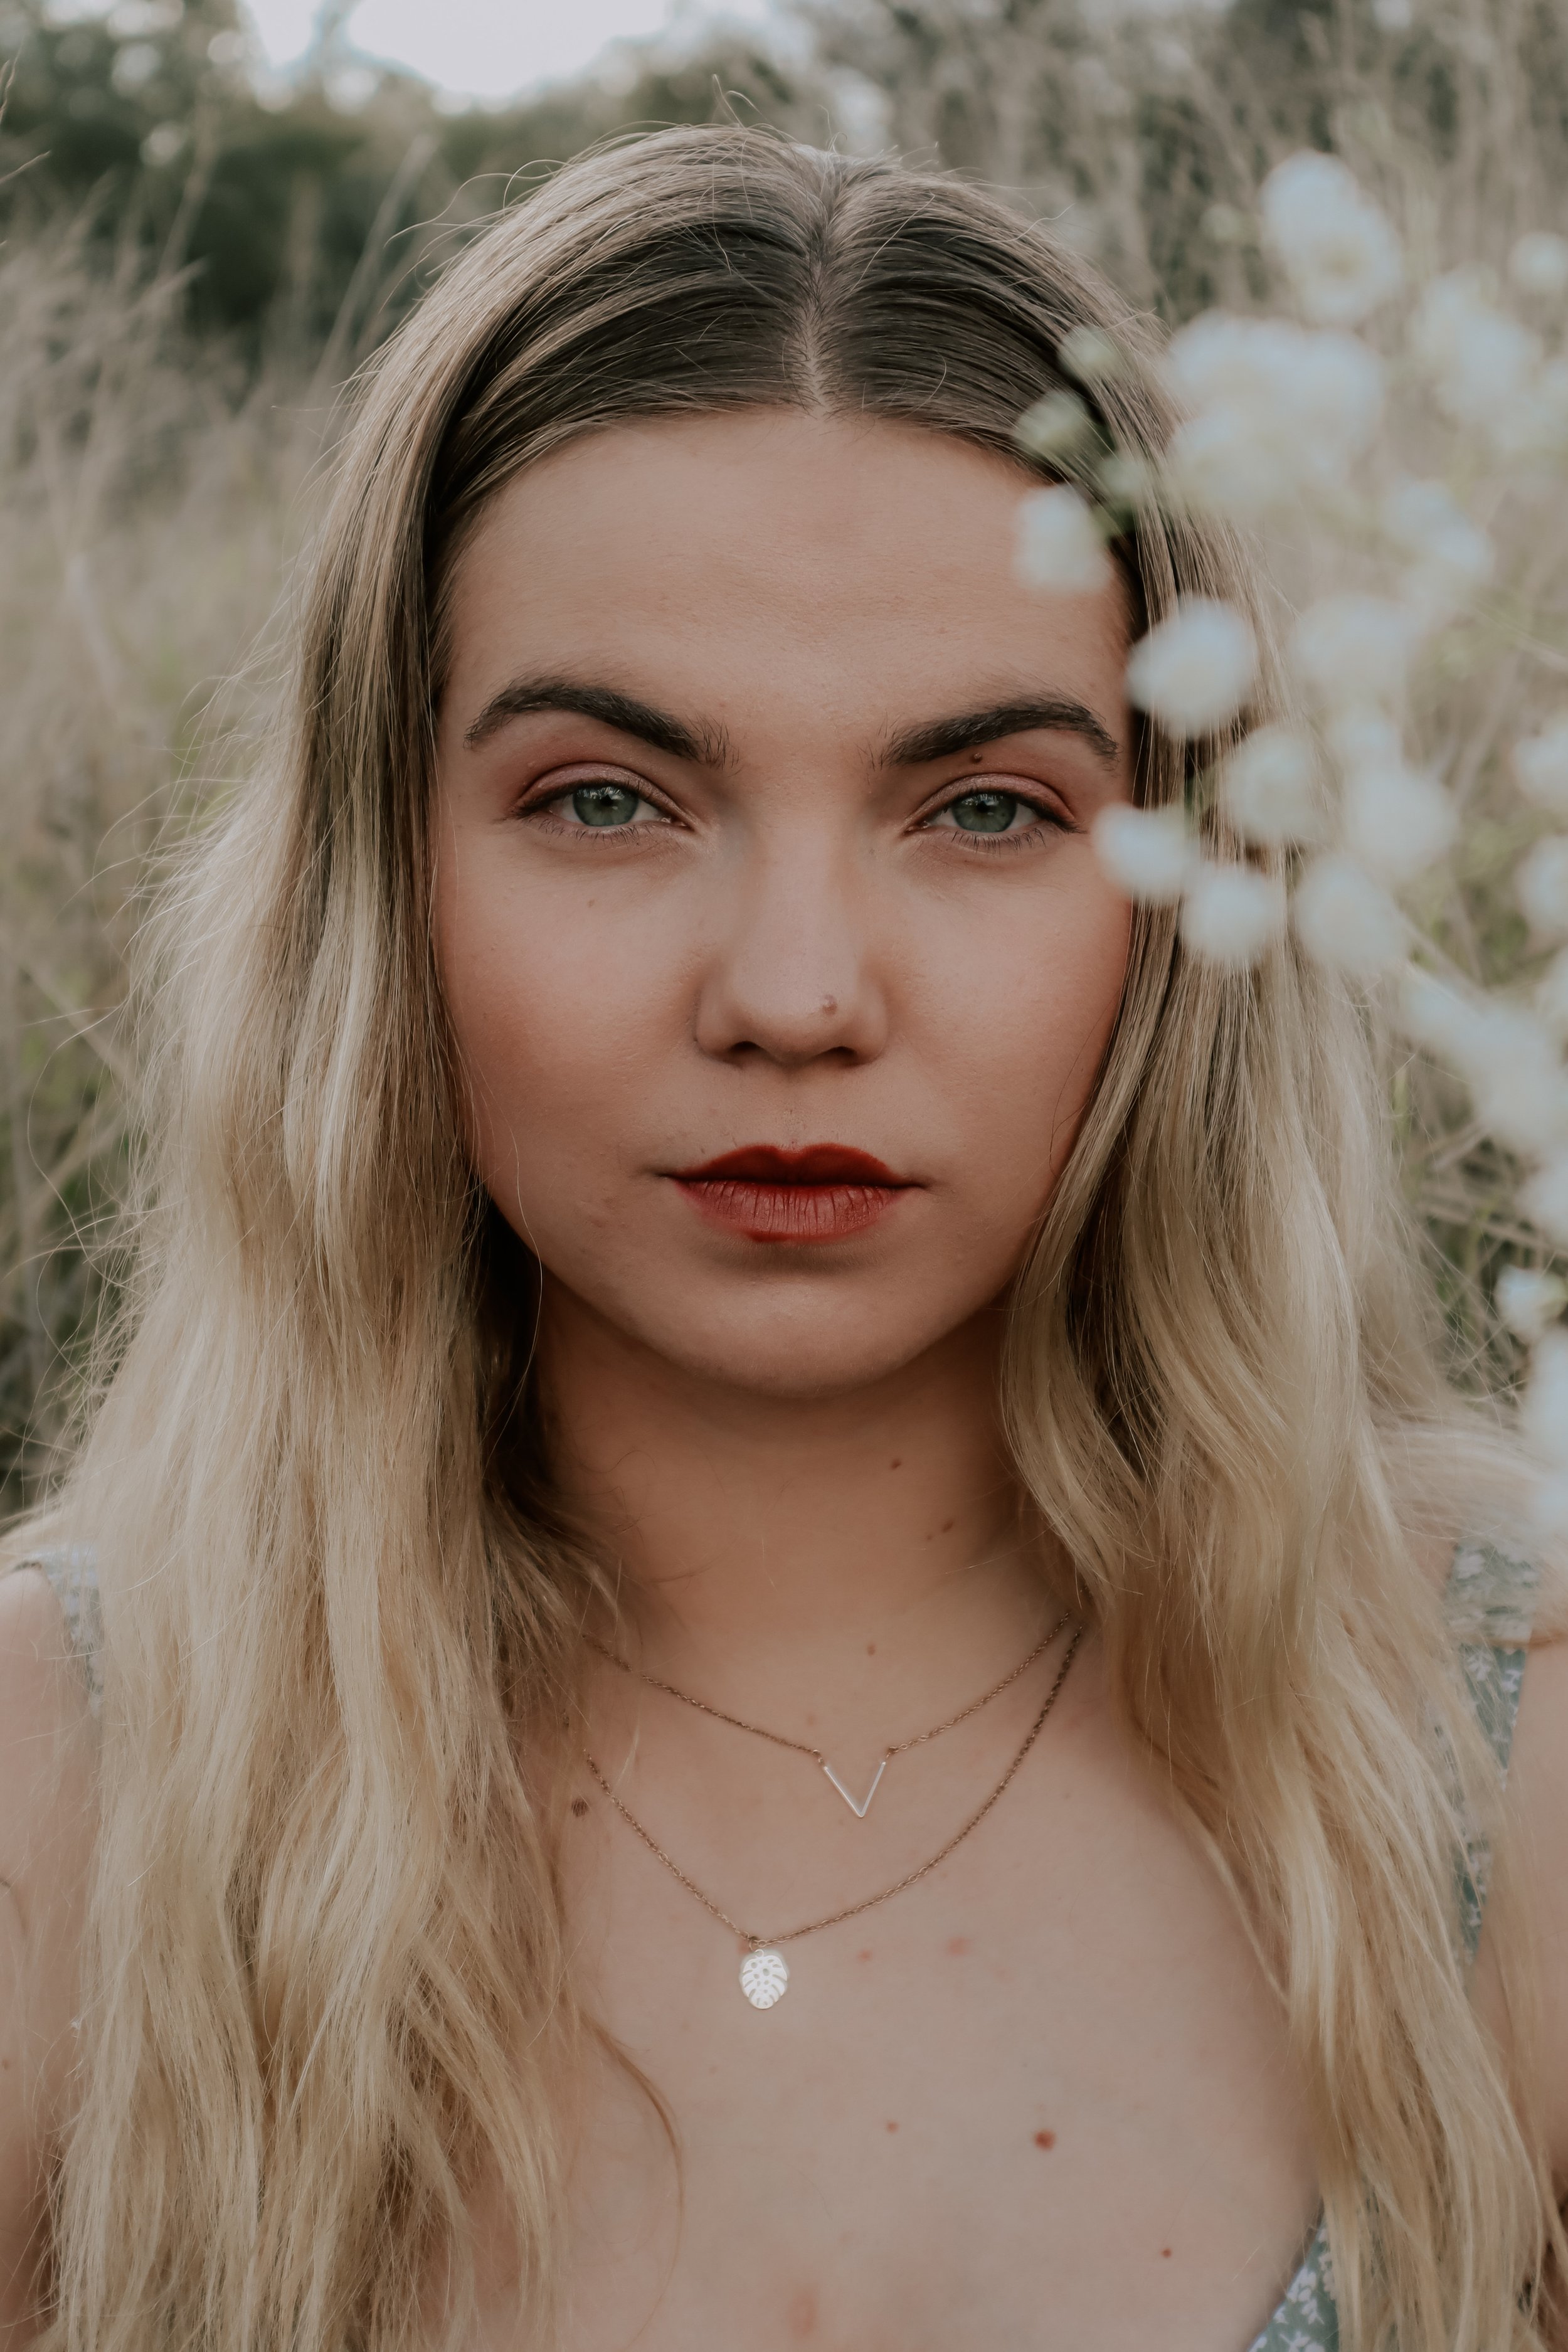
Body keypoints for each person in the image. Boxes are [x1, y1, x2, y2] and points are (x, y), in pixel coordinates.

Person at [3, 126, 1567, 2352]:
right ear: (384, 875)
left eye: (988, 810)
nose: (798, 993)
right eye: (609, 800)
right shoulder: (61, 1794)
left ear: (1195, 887)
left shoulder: (1498, 1765)